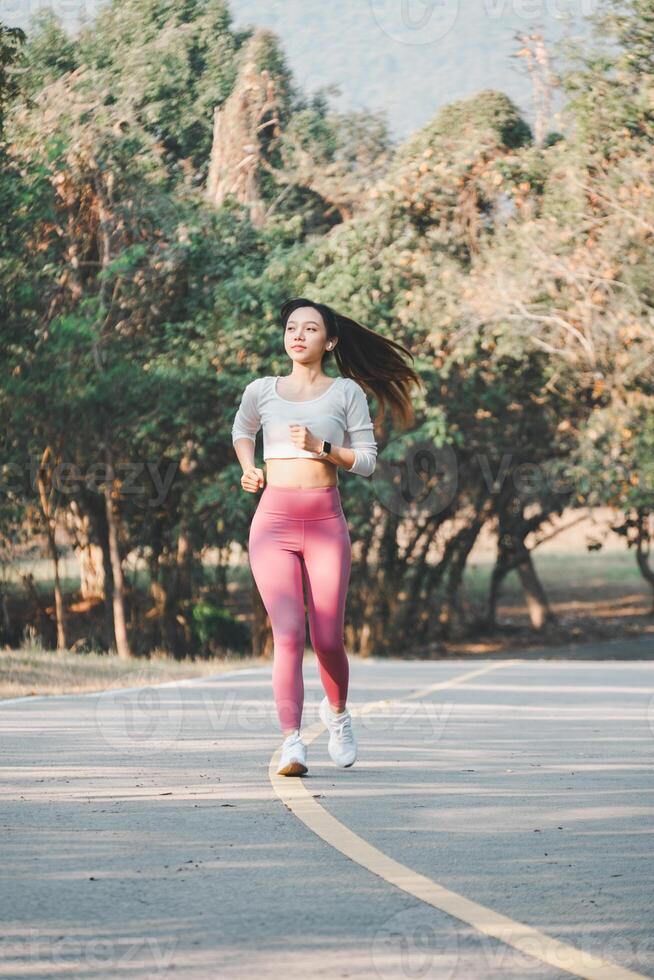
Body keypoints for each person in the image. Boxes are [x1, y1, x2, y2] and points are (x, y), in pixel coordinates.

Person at [231, 297, 421, 776]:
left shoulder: (345, 394)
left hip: (324, 524)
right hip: (272, 524)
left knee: (329, 637)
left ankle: (337, 715)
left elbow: (369, 461)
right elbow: (242, 431)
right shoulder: (261, 390)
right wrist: (249, 468)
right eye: (291, 327)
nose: (297, 335)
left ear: (329, 341)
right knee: (289, 634)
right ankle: (292, 742)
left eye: (309, 329)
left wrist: (323, 448)